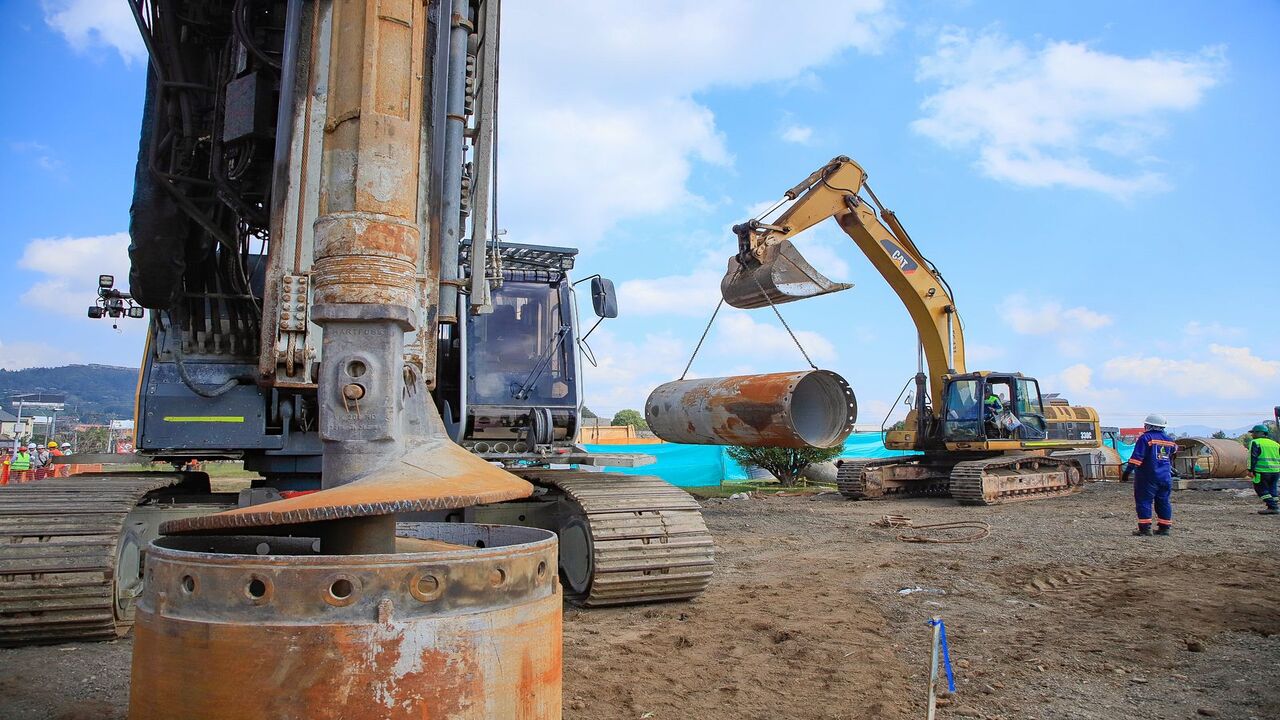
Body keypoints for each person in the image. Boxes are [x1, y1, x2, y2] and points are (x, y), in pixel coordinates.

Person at [1122, 413, 1177, 536]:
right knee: (1163, 501)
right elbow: (1173, 452)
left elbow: (1137, 458)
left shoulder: (1145, 438)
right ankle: (1164, 528)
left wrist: (1127, 472)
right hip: (1165, 477)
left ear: (1149, 425)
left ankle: (1145, 529)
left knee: (1144, 501)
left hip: (1147, 477)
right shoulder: (1170, 440)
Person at [1247, 424, 1280, 515]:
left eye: (1253, 433)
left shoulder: (1256, 442)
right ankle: (1272, 506)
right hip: (1276, 471)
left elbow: (1252, 457)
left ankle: (1273, 507)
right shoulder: (1275, 444)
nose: (1252, 435)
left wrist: (1250, 470)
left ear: (1259, 433)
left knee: (1260, 489)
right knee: (1272, 488)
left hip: (1262, 471)